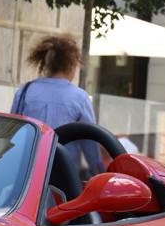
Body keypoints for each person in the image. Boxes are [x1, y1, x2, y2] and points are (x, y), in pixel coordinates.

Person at [11, 35, 104, 175]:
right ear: (71, 66)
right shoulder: (80, 98)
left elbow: (12, 131)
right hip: (64, 174)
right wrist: (98, 173)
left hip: (27, 172)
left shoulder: (25, 91)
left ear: (46, 65)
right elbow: (90, 142)